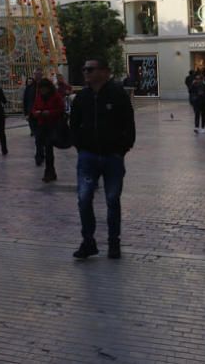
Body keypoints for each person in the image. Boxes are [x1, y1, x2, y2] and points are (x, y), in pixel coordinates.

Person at [69, 57, 135, 260]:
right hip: (88, 155)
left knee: (112, 199)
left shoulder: (118, 94)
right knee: (84, 198)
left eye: (90, 69)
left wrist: (122, 149)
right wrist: (80, 145)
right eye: (84, 69)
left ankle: (114, 242)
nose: (86, 72)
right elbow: (74, 124)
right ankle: (88, 241)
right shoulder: (82, 97)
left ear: (105, 72)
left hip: (112, 156)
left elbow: (129, 123)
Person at [32, 78, 64, 183]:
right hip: (41, 125)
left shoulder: (55, 97)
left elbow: (61, 109)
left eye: (44, 88)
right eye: (41, 88)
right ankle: (51, 171)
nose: (43, 90)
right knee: (40, 144)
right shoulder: (39, 97)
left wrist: (50, 113)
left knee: (49, 149)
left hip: (52, 125)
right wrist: (36, 113)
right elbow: (34, 108)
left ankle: (49, 172)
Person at [22, 70, 42, 137]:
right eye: (35, 74)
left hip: (41, 111)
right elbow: (25, 100)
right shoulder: (29, 87)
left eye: (39, 74)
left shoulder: (44, 86)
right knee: (33, 126)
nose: (37, 76)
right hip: (31, 111)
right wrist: (26, 113)